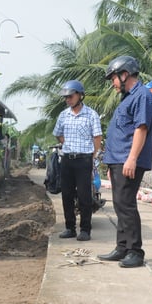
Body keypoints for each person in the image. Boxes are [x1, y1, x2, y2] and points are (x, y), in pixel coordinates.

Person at [97, 56, 152, 268]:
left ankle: (135, 251)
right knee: (120, 204)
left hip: (128, 160)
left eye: (113, 78)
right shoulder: (127, 98)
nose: (113, 83)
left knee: (126, 205)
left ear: (125, 75)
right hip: (118, 161)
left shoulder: (143, 96)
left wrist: (131, 159)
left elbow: (141, 129)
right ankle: (122, 247)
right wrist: (112, 164)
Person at [52, 79, 103, 242]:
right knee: (66, 194)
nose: (67, 99)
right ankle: (69, 228)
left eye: (70, 96)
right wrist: (67, 144)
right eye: (65, 97)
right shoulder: (63, 115)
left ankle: (85, 230)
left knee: (84, 196)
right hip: (67, 160)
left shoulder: (91, 115)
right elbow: (58, 133)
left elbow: (97, 137)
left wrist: (93, 155)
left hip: (84, 160)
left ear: (80, 96)